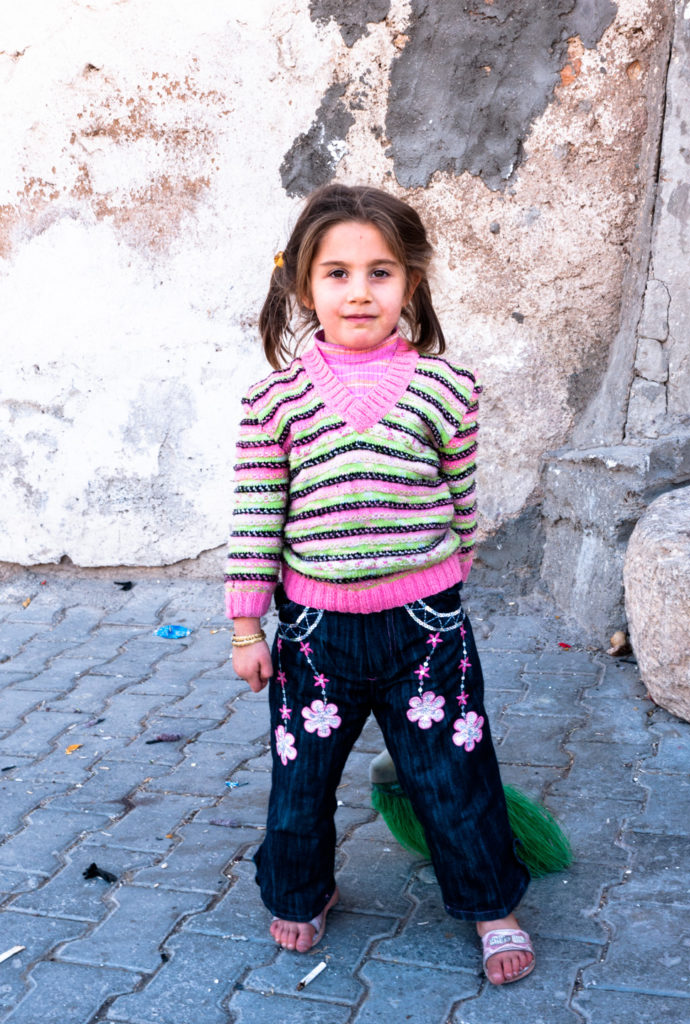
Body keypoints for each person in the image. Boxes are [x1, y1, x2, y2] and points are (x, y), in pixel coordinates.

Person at [225, 184, 534, 985]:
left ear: (412, 283)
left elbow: (463, 497)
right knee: (302, 779)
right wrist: (245, 627)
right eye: (336, 273)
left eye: (380, 272)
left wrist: (447, 575)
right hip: (313, 635)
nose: (359, 292)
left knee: (454, 771)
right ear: (302, 285)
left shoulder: (445, 387)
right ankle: (302, 888)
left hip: (425, 630)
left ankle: (491, 903)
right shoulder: (275, 400)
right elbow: (258, 519)